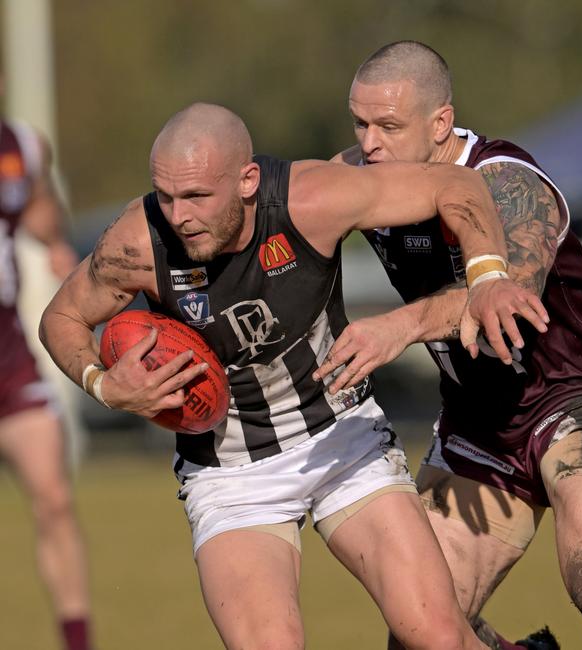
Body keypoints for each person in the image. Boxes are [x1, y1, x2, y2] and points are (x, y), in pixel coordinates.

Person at [38, 102, 547, 650]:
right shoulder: (139, 243)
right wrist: (104, 384)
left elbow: (458, 186)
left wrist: (489, 276)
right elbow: (61, 318)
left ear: (248, 180)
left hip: (341, 437)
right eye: (165, 196)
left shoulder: (312, 199)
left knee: (437, 637)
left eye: (197, 197)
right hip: (231, 471)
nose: (178, 214)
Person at [315, 41, 582, 650]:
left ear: (440, 122)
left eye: (388, 125)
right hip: (481, 421)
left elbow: (503, 290)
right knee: (421, 629)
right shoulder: (365, 179)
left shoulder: (508, 182)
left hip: (579, 395)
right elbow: (276, 212)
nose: (369, 144)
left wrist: (401, 325)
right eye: (360, 124)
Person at [0, 116, 94, 649]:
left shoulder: (22, 146)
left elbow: (37, 205)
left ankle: (77, 642)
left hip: (8, 355)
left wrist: (55, 239)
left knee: (55, 497)